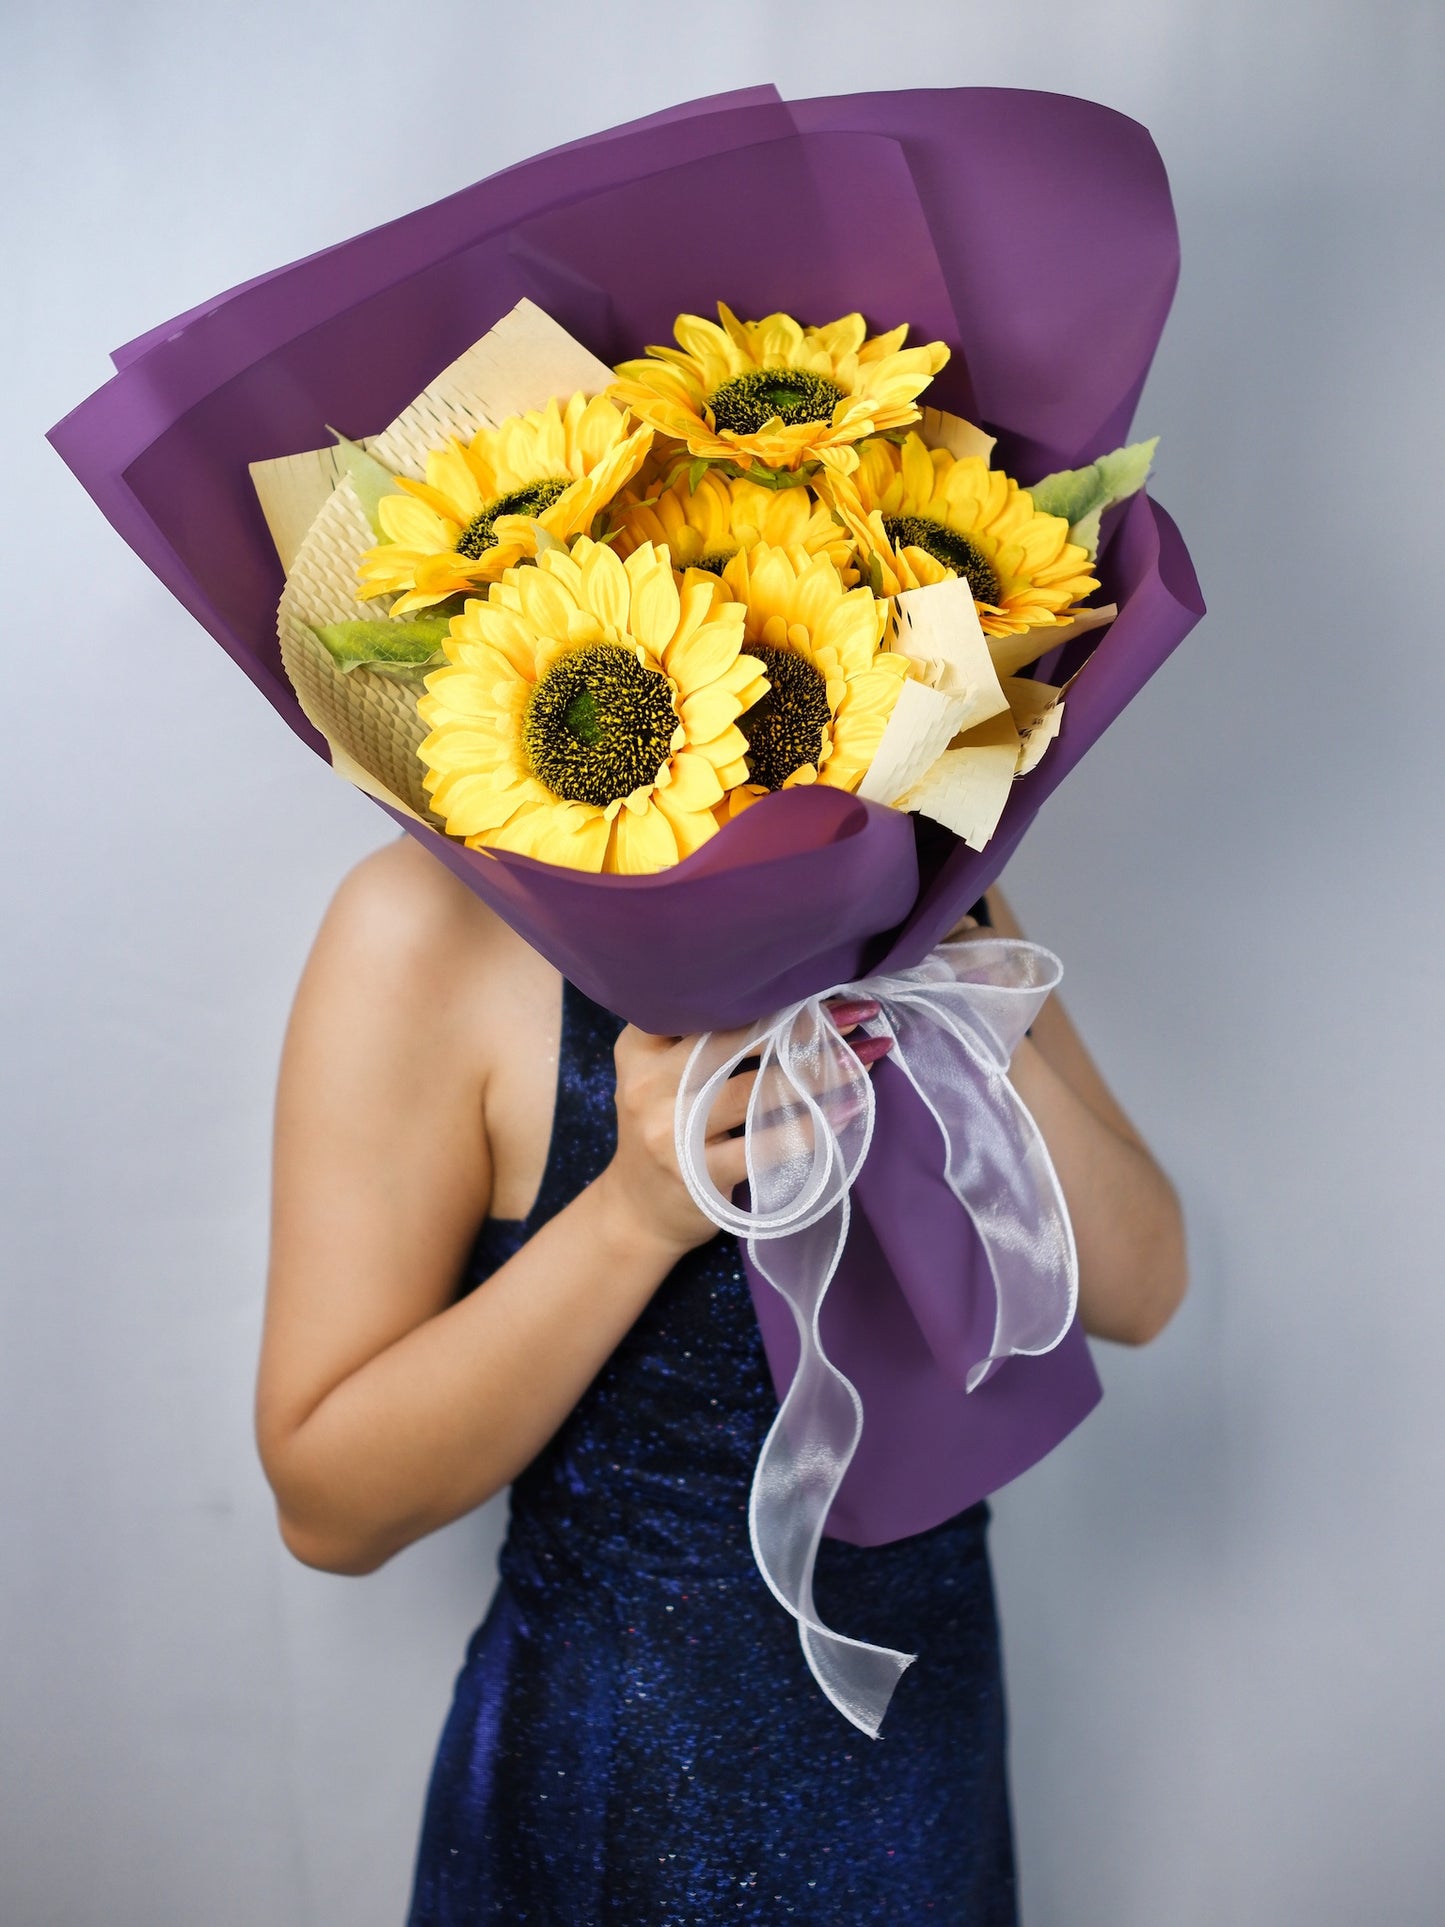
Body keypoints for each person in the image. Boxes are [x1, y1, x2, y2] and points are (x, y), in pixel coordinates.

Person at [255, 832, 1187, 1924]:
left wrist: (933, 991)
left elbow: (1144, 1288)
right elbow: (327, 1508)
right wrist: (633, 1214)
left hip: (924, 1789)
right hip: (615, 1809)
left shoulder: (920, 879)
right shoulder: (427, 921)